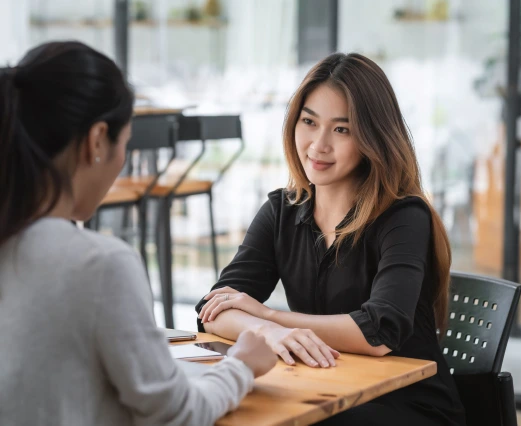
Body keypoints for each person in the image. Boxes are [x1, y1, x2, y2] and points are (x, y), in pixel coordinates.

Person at [0, 41, 276, 426]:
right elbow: (179, 414)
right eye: (125, 144)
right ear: (97, 140)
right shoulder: (99, 264)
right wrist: (241, 366)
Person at [196, 53, 466, 425]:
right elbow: (214, 309)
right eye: (309, 122)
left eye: (342, 129)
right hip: (326, 389)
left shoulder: (403, 217)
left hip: (406, 405)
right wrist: (266, 331)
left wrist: (268, 314)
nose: (318, 145)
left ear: (373, 138)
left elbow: (379, 332)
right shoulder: (281, 211)